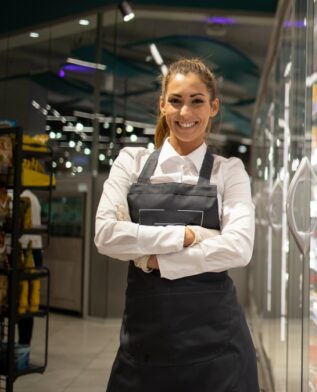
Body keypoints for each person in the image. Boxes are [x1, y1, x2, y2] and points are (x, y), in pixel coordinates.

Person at [94, 58, 258, 391]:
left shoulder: (228, 171)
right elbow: (106, 235)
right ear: (162, 105)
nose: (185, 113)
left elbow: (239, 248)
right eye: (176, 101)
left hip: (218, 346)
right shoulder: (131, 161)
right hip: (145, 342)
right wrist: (187, 235)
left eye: (197, 101)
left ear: (213, 107)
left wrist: (154, 260)